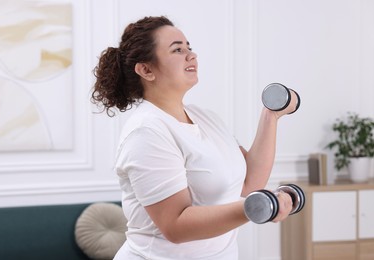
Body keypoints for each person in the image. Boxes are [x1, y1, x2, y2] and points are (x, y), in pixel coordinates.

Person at [91, 16, 297, 260]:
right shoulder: (146, 131)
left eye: (189, 47)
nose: (192, 55)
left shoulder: (205, 118)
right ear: (146, 69)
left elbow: (250, 184)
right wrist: (259, 206)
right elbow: (175, 226)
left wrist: (271, 116)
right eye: (178, 49)